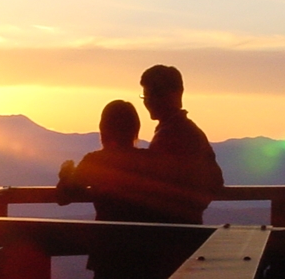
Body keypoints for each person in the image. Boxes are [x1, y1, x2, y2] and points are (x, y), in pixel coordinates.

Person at [56, 100, 158, 278]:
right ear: (135, 128)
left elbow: (63, 197)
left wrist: (65, 175)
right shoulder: (148, 160)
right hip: (144, 249)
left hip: (107, 249)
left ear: (104, 128)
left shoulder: (96, 161)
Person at [139, 64, 224, 225]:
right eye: (145, 97)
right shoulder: (192, 132)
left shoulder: (170, 135)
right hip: (188, 227)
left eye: (153, 95)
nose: (148, 102)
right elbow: (216, 180)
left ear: (174, 94)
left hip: (173, 233)